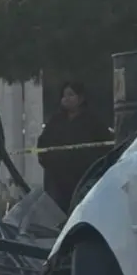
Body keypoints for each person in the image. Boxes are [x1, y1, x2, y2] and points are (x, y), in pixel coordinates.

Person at [36, 82, 111, 213]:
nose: (66, 99)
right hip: (58, 180)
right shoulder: (56, 121)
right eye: (64, 95)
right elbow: (43, 145)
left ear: (80, 98)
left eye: (71, 94)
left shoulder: (92, 121)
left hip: (83, 178)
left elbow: (104, 147)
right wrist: (50, 162)